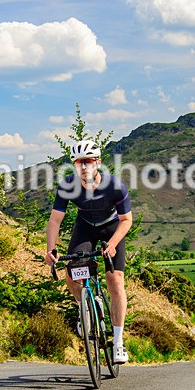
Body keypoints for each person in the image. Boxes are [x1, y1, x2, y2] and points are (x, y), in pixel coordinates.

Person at [45, 139, 133, 364]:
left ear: (98, 163)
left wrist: (112, 244)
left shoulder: (115, 186)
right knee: (72, 274)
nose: (83, 167)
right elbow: (55, 221)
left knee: (116, 281)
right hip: (85, 227)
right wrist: (51, 250)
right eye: (78, 162)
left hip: (112, 228)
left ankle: (118, 342)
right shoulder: (68, 185)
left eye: (88, 162)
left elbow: (126, 220)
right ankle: (85, 306)